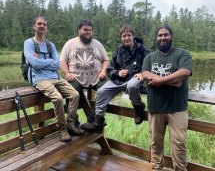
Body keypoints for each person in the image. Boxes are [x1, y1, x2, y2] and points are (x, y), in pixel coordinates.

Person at [142, 25, 196, 171]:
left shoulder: (182, 54)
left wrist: (159, 80)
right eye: (159, 35)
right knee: (155, 141)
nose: (162, 38)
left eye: (165, 35)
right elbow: (144, 74)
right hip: (155, 107)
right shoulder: (150, 57)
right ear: (156, 38)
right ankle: (156, 169)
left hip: (177, 108)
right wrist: (171, 81)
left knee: (179, 143)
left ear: (171, 36)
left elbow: (185, 72)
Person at [24, 15, 85, 143]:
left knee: (74, 95)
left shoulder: (50, 45)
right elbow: (34, 64)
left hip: (54, 76)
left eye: (44, 24)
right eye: (39, 24)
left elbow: (57, 65)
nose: (42, 26)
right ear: (34, 26)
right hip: (39, 78)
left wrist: (40, 60)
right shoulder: (29, 43)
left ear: (46, 28)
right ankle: (62, 128)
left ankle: (70, 125)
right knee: (57, 98)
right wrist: (48, 61)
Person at [81, 25, 150, 133]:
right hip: (119, 80)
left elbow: (149, 64)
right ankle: (98, 121)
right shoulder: (118, 50)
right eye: (124, 36)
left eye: (128, 35)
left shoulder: (142, 50)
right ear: (121, 37)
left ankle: (138, 107)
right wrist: (118, 72)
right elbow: (110, 68)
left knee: (131, 86)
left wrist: (142, 73)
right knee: (101, 91)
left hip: (134, 78)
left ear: (133, 36)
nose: (126, 38)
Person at [60, 19, 109, 121]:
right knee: (71, 93)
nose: (88, 32)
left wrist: (103, 71)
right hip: (76, 78)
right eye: (85, 30)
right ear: (79, 30)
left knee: (107, 89)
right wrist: (67, 73)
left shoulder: (97, 44)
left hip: (96, 77)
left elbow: (106, 60)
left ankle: (95, 117)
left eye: (90, 30)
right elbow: (62, 61)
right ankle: (73, 121)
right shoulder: (70, 43)